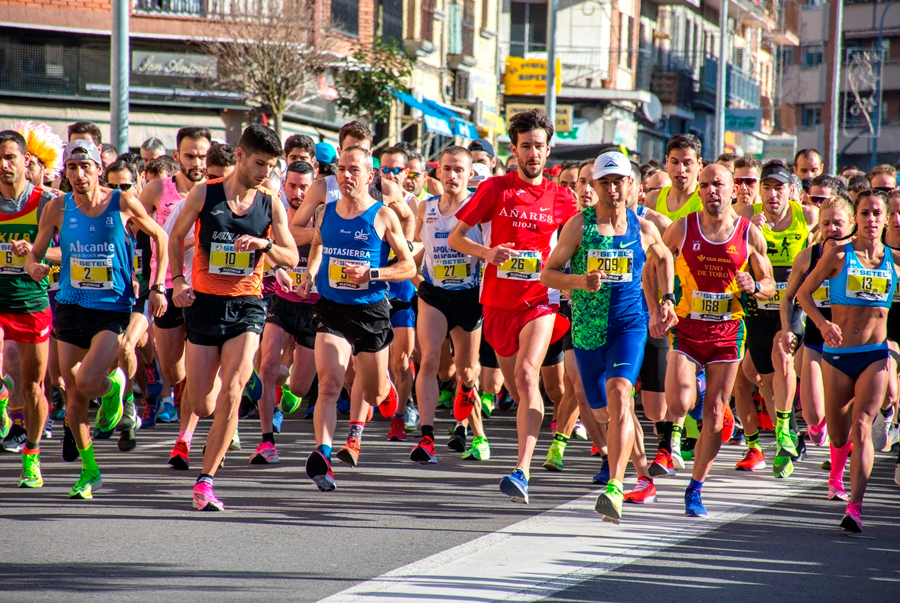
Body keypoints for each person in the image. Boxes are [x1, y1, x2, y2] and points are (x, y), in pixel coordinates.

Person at [26, 139, 169, 499]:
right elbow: (35, 253)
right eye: (72, 168)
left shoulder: (121, 202)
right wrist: (34, 266)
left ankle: (113, 387)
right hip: (71, 306)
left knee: (88, 380)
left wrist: (158, 286)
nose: (78, 174)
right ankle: (90, 471)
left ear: (98, 169)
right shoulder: (58, 207)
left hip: (111, 308)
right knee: (72, 394)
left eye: (85, 167)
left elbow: (161, 236)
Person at [449, 108, 577, 504]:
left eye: (539, 146)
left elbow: (579, 242)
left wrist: (572, 278)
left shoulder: (561, 197)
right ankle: (535, 438)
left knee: (525, 374)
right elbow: (456, 238)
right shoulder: (494, 189)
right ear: (514, 149)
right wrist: (488, 253)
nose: (533, 153)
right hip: (497, 304)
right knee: (518, 390)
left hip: (540, 300)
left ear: (548, 150)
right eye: (526, 146)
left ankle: (521, 470)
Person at [542, 151, 677, 523]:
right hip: (588, 328)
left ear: (631, 184)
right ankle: (644, 473)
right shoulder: (578, 226)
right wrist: (579, 281)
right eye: (605, 182)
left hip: (628, 325)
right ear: (594, 185)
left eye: (619, 181)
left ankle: (615, 487)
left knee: (621, 395)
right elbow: (548, 274)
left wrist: (666, 299)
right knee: (605, 411)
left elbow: (664, 258)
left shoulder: (643, 227)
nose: (613, 189)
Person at [169, 125, 298, 511]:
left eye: (271, 166)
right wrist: (177, 281)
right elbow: (175, 237)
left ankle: (205, 481)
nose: (265, 172)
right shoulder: (204, 194)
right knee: (203, 404)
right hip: (205, 305)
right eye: (259, 163)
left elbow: (291, 256)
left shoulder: (270, 203)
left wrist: (266, 244)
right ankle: (224, 397)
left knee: (232, 391)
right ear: (240, 156)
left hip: (247, 306)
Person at [658, 163, 775, 517]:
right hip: (688, 327)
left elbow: (770, 286)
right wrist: (661, 302)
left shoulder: (749, 234)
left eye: (718, 184)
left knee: (713, 418)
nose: (711, 190)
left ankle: (695, 488)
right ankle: (698, 390)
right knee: (678, 403)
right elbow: (656, 263)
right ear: (699, 190)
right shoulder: (682, 228)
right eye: (705, 184)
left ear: (733, 190)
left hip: (727, 332)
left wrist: (755, 286)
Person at [297, 146, 415, 491]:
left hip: (370, 312)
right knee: (330, 383)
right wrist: (310, 274)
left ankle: (384, 388)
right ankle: (323, 455)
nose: (346, 175)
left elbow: (408, 266)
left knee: (375, 394)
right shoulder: (325, 212)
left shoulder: (383, 215)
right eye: (341, 169)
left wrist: (372, 274)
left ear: (369, 175)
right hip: (331, 308)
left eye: (354, 170)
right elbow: (317, 244)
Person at [796, 190, 900, 533]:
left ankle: (855, 507)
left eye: (877, 213)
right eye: (864, 213)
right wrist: (822, 324)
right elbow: (803, 294)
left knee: (862, 427)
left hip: (875, 356)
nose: (870, 219)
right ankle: (841, 456)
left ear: (887, 220)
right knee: (840, 437)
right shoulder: (840, 255)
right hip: (839, 356)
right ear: (856, 218)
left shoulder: (895, 261)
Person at [734, 163, 817, 478]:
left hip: (790, 302)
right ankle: (784, 432)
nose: (772, 194)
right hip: (757, 303)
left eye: (779, 188)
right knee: (763, 378)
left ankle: (783, 434)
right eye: (766, 188)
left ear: (791, 191)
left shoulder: (806, 215)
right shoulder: (745, 215)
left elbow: (832, 236)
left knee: (782, 355)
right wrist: (747, 232)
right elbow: (729, 248)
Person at [410, 146, 490, 463]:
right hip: (434, 294)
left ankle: (478, 433)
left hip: (469, 296)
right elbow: (415, 249)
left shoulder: (479, 208)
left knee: (467, 371)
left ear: (470, 174)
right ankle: (427, 438)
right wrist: (416, 278)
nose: (452, 175)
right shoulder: (425, 207)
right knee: (430, 360)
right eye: (447, 169)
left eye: (459, 170)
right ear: (438, 172)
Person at [140, 127, 212, 426]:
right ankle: (181, 395)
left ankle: (200, 424)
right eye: (190, 156)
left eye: (202, 156)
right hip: (167, 283)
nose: (197, 163)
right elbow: (132, 228)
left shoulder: (215, 191)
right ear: (176, 156)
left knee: (204, 361)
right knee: (173, 370)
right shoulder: (157, 189)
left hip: (205, 286)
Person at [780, 197, 855, 478]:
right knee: (812, 414)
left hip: (850, 343)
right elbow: (788, 298)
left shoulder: (859, 256)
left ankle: (839, 470)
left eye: (838, 223)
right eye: (826, 223)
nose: (832, 228)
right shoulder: (807, 256)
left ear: (852, 224)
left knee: (844, 416)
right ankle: (818, 425)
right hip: (815, 338)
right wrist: (787, 328)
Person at [0, 130, 59, 487]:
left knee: (34, 387)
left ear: (26, 161)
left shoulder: (48, 202)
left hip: (31, 301)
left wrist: (37, 254)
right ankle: (2, 398)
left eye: (10, 157)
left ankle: (32, 453)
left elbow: (72, 251)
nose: (3, 165)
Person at [252, 160, 318, 464]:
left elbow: (326, 248)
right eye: (292, 186)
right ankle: (267, 442)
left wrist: (312, 276)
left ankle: (287, 386)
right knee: (267, 366)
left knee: (299, 386)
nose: (297, 193)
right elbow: (263, 247)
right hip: (282, 302)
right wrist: (277, 267)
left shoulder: (323, 215)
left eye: (304, 187)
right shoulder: (275, 211)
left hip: (315, 307)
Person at [644, 134, 703, 222]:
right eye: (675, 162)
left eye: (687, 163)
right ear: (667, 162)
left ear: (699, 164)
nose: (680, 170)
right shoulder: (653, 200)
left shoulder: (706, 200)